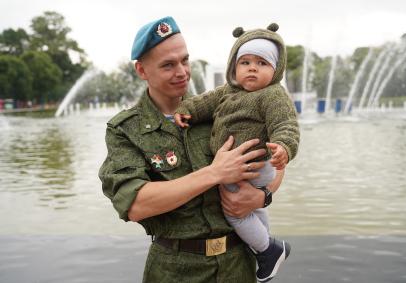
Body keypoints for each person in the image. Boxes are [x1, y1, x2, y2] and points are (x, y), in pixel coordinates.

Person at [98, 16, 286, 283]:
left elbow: (275, 164)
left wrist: (261, 197)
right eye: (168, 65)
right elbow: (135, 204)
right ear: (142, 70)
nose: (182, 72)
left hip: (238, 264)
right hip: (175, 269)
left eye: (185, 60)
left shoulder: (222, 108)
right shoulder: (125, 130)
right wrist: (215, 173)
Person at [174, 23, 300, 282]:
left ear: (275, 70)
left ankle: (268, 250)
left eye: (262, 63)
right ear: (234, 67)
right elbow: (204, 102)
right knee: (255, 211)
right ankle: (263, 250)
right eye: (245, 62)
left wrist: (284, 147)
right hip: (240, 166)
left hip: (250, 166)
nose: (252, 68)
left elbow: (286, 125)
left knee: (235, 211)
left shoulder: (273, 95)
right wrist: (186, 109)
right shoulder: (227, 91)